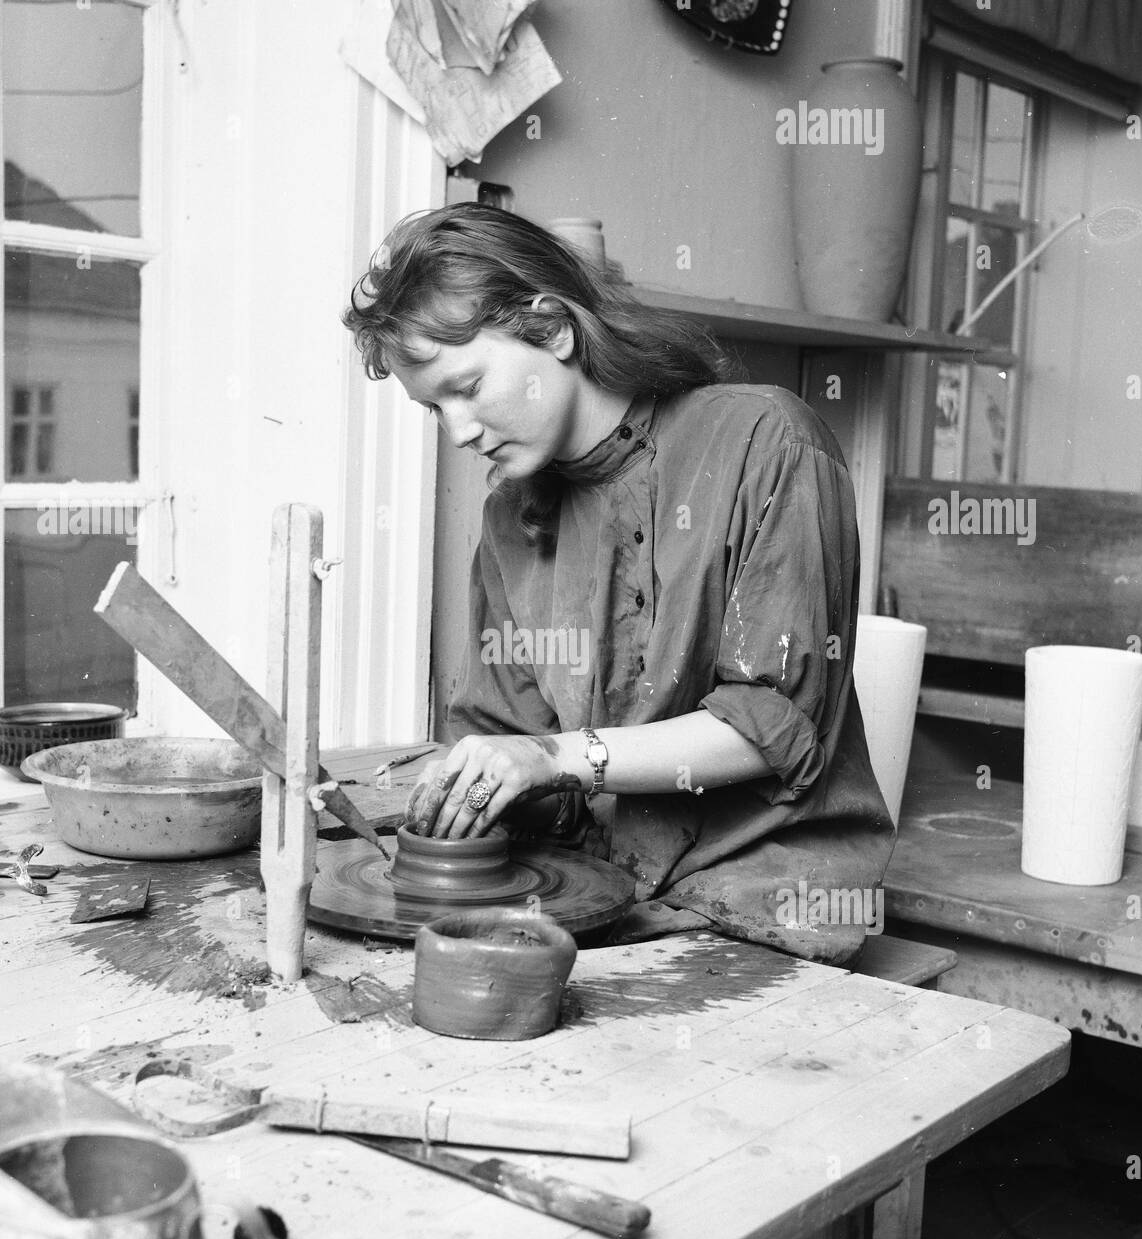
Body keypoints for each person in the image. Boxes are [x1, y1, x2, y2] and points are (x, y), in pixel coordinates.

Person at [343, 204, 894, 965]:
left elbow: (770, 727)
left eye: (465, 385)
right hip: (601, 892)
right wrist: (465, 786)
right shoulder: (510, 517)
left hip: (770, 899)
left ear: (552, 329)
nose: (458, 431)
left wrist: (554, 758)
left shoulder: (765, 441)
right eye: (432, 407)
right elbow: (505, 732)